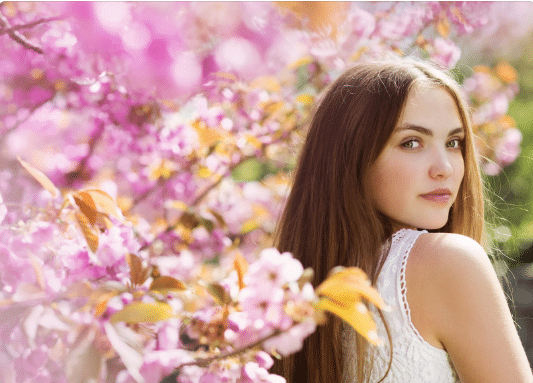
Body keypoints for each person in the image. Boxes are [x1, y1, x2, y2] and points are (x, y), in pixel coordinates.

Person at [271, 58, 533, 382]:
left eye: (454, 143)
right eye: (411, 143)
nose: (445, 168)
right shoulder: (448, 261)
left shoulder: (286, 296)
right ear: (352, 159)